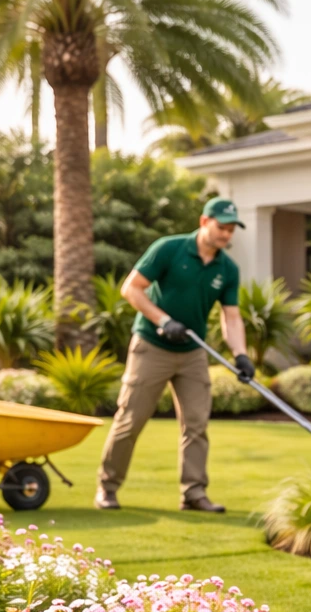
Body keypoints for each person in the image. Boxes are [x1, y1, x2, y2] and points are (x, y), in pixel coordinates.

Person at [95, 197, 256, 512]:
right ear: (204, 222)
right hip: (151, 347)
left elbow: (231, 317)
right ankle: (107, 487)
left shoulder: (228, 269)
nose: (226, 234)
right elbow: (131, 289)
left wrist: (241, 355)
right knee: (130, 419)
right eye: (221, 227)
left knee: (196, 424)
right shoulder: (168, 248)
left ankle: (194, 493)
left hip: (193, 351)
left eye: (231, 229)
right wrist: (163, 321)